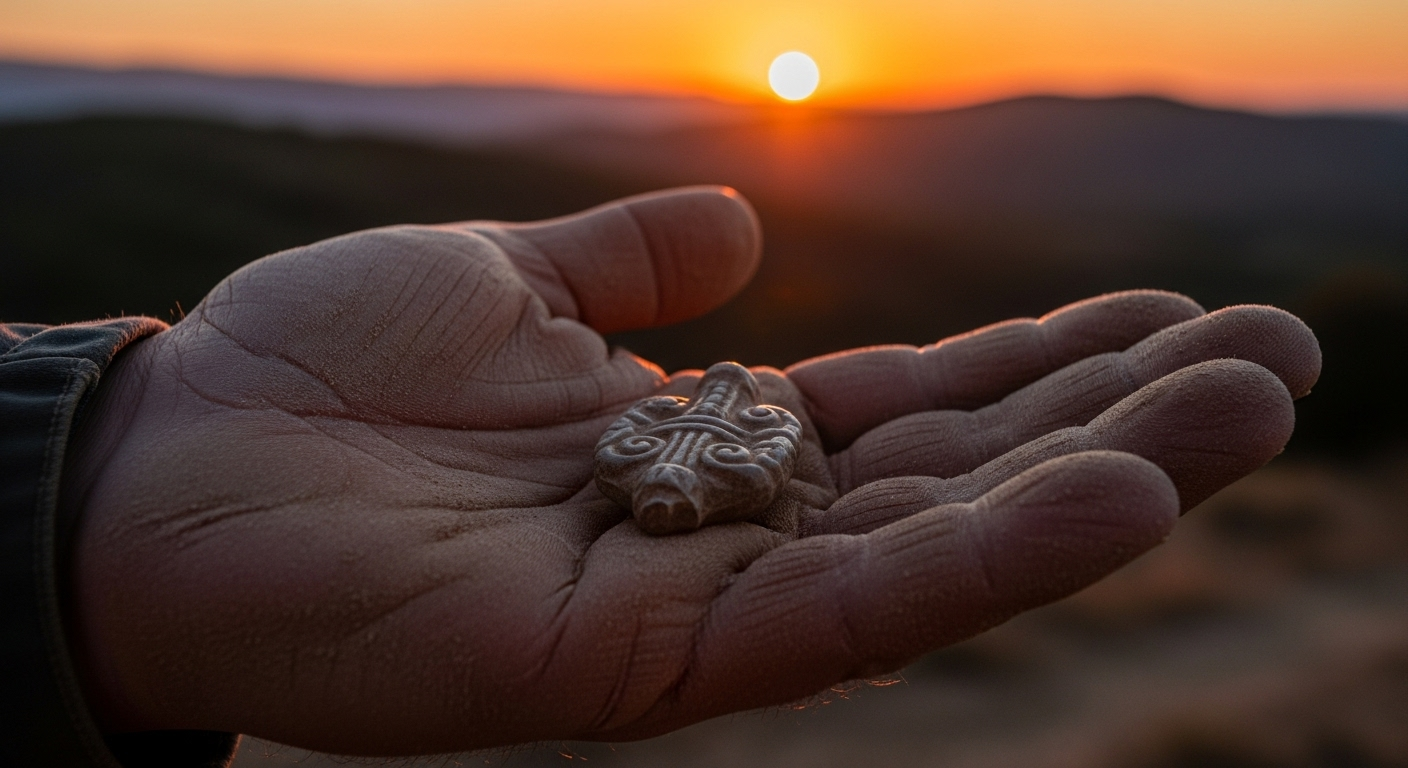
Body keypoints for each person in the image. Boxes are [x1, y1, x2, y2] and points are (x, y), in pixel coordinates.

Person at [0, 186, 1321, 766]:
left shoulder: (708, 432)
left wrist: (91, 471)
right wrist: (111, 465)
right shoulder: (681, 440)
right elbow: (683, 448)